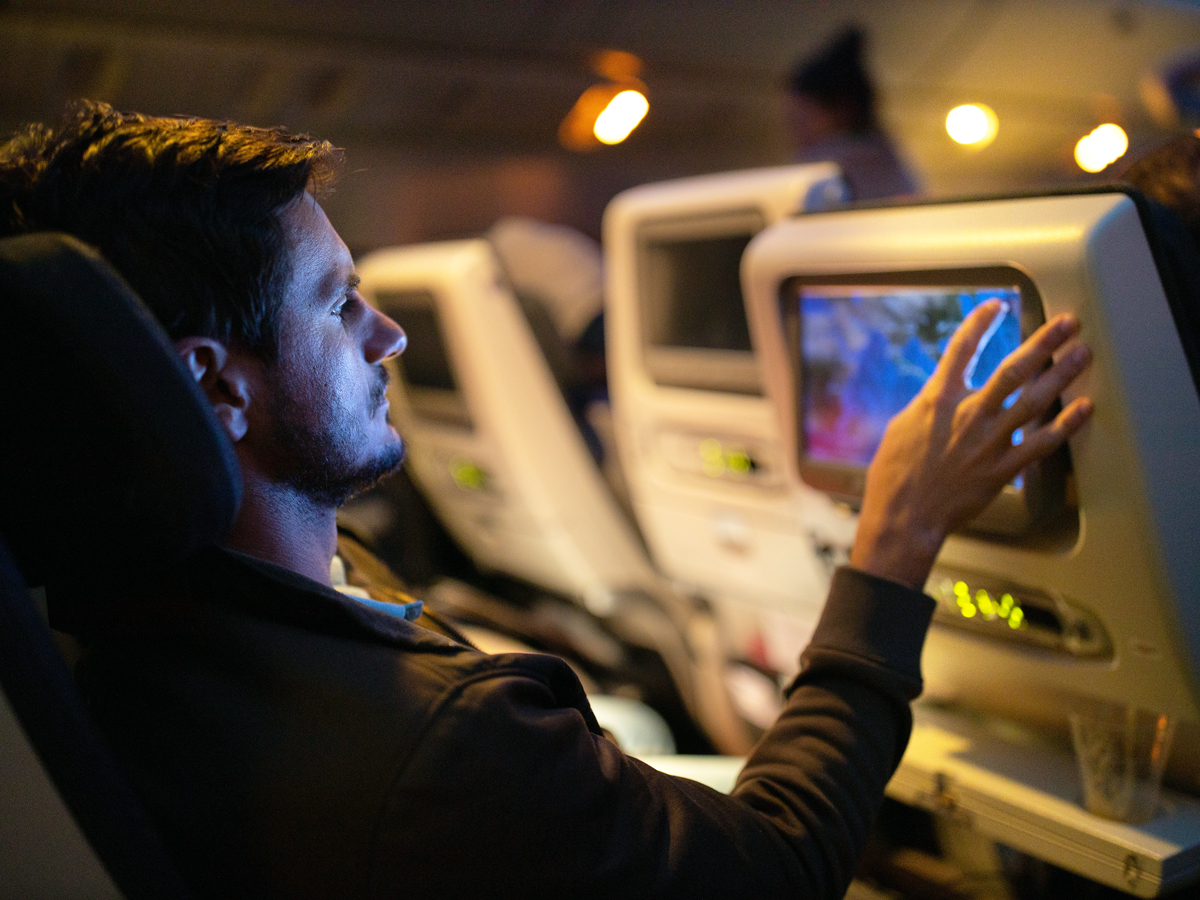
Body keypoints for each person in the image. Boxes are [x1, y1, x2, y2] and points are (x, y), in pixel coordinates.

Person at [0, 101, 1092, 899]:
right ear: (211, 383)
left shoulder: (126, 609)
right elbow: (780, 867)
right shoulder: (446, 749)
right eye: (339, 307)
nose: (390, 336)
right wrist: (893, 546)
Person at [786, 26, 920, 201]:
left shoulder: (820, 169)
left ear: (842, 109)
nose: (793, 125)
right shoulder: (893, 161)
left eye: (803, 113)